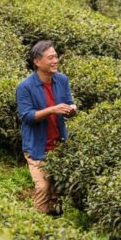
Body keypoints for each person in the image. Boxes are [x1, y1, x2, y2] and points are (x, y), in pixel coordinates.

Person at [16, 40, 76, 215]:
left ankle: (55, 222)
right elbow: (26, 116)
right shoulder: (25, 87)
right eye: (50, 58)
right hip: (37, 145)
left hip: (59, 143)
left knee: (57, 189)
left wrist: (71, 110)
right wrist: (53, 109)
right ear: (37, 61)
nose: (55, 61)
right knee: (43, 187)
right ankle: (38, 223)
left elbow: (69, 103)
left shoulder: (62, 80)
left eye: (56, 56)